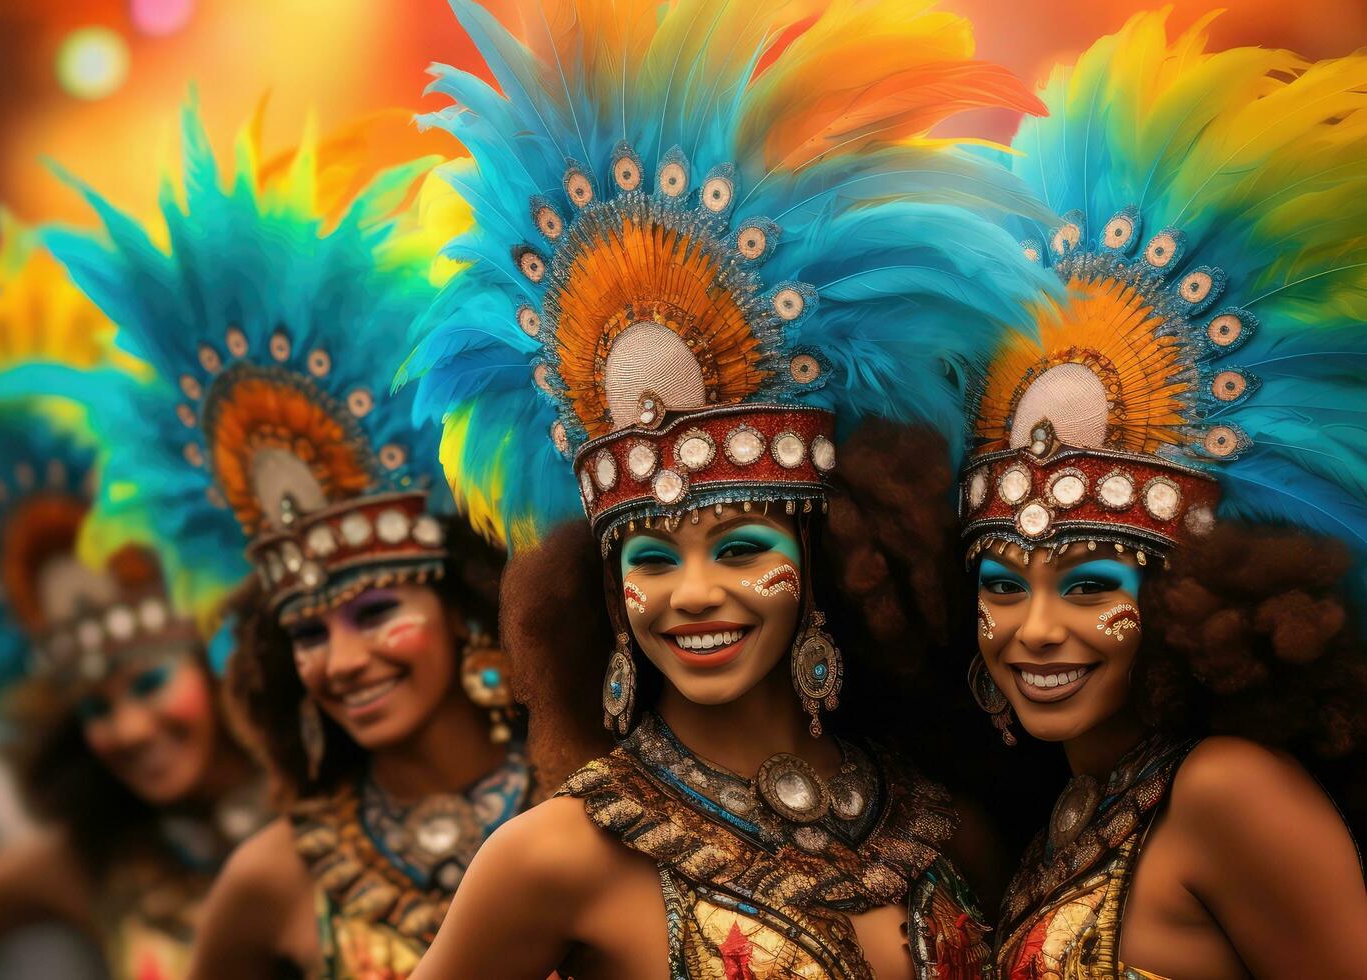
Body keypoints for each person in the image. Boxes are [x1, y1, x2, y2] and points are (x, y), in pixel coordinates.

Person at [399, 1, 1060, 976]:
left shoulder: (943, 827)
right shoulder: (554, 859)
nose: (694, 591)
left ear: (822, 560)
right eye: (654, 559)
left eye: (742, 548)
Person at [30, 100, 531, 978]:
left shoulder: (591, 801)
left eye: (376, 610)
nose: (342, 659)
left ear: (463, 611)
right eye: (308, 631)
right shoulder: (271, 879)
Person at [958, 11, 1367, 977]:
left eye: (1091, 584)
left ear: (1184, 604)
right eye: (1003, 583)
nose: (1035, 628)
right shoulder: (1076, 805)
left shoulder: (1230, 794)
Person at [0, 166, 263, 980]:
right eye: (98, 705)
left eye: (146, 684)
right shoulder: (96, 862)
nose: (130, 729)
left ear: (213, 660)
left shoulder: (337, 806)